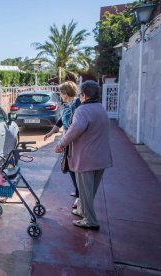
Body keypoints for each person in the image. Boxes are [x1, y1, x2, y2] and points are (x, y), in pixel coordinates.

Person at [54, 80, 112, 230]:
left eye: (81, 94)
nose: (79, 97)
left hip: (86, 158)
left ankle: (90, 220)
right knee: (90, 191)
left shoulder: (83, 110)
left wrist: (61, 144)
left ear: (85, 95)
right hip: (101, 157)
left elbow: (75, 129)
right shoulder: (101, 108)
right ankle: (81, 210)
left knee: (85, 191)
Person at [44, 81, 81, 208]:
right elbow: (60, 122)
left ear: (66, 93)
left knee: (74, 168)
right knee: (70, 167)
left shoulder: (77, 104)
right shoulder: (67, 105)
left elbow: (77, 125)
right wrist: (50, 133)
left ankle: (80, 197)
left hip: (74, 141)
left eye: (61, 92)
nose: (60, 94)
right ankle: (77, 191)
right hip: (67, 140)